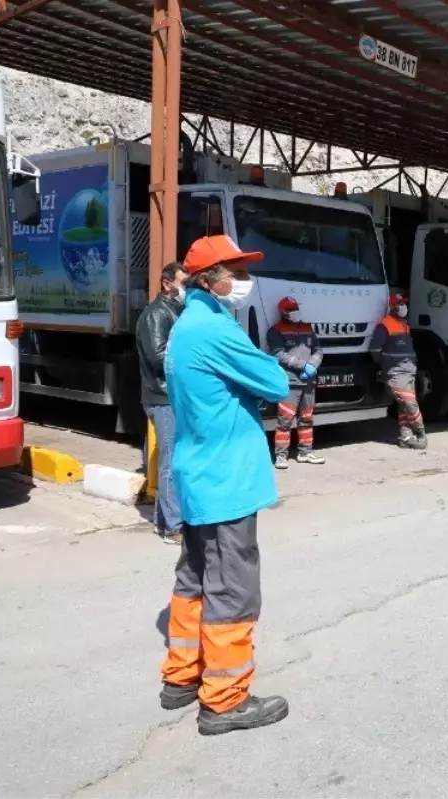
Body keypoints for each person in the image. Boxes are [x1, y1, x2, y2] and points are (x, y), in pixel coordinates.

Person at [160, 234, 291, 735]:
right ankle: (225, 699)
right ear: (207, 279)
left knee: (193, 577)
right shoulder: (214, 329)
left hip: (198, 472)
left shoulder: (186, 325)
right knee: (233, 589)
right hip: (226, 478)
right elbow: (276, 382)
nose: (241, 280)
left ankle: (180, 677)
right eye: (233, 271)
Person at [136, 262, 187, 545]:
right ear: (166, 284)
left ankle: (164, 520)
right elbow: (158, 358)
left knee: (174, 459)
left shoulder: (176, 311)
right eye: (182, 283)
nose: (185, 289)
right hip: (162, 396)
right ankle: (173, 527)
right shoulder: (156, 314)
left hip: (173, 396)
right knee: (171, 462)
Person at [267, 297, 324, 469]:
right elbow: (279, 354)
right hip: (290, 382)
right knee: (285, 420)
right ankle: (281, 456)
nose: (295, 311)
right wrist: (303, 366)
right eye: (291, 309)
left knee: (306, 418)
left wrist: (313, 365)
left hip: (308, 381)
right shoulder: (275, 330)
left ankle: (305, 453)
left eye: (296, 308)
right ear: (283, 312)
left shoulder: (307, 328)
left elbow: (318, 349)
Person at [370, 293, 427, 449]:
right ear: (393, 306)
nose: (403, 306)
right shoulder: (385, 324)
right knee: (410, 403)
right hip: (396, 372)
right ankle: (420, 433)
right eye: (399, 303)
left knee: (404, 406)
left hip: (409, 371)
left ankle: (406, 437)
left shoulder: (404, 325)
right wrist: (385, 365)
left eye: (404, 303)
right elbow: (374, 348)